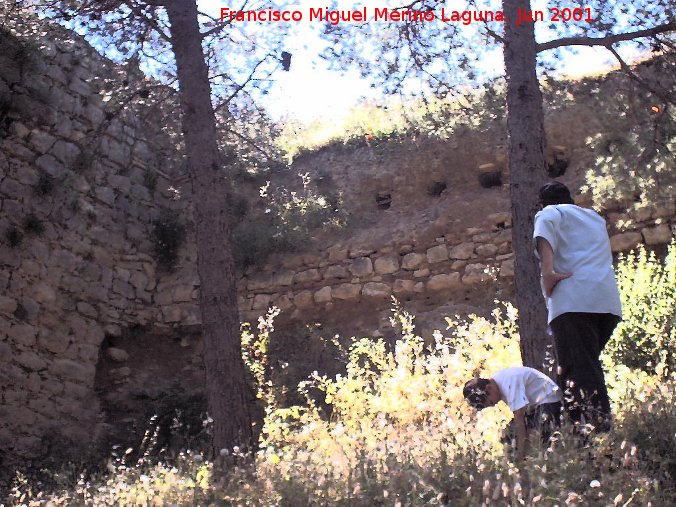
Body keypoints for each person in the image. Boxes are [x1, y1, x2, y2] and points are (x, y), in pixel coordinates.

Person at [533, 181, 622, 431]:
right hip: (606, 302)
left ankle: (598, 433)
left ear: (541, 203)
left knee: (580, 371)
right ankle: (572, 431)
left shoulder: (548, 213)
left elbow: (544, 241)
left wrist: (548, 276)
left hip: (574, 302)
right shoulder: (594, 218)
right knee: (580, 366)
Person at [463, 366, 562, 461]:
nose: (493, 405)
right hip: (535, 407)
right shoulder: (499, 381)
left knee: (534, 436)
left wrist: (520, 454)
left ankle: (541, 461)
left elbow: (520, 421)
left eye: (491, 402)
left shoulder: (508, 383)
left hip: (549, 402)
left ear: (489, 388)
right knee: (508, 437)